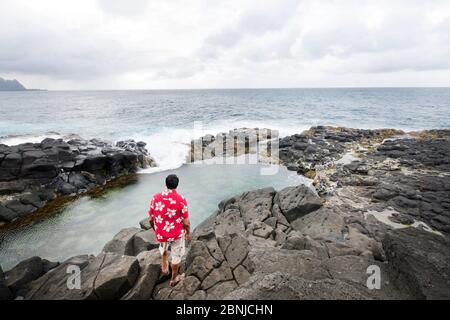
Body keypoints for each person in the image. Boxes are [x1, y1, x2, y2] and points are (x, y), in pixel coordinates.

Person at [148, 174, 190, 287]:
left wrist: (155, 229)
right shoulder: (181, 200)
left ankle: (164, 266)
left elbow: (151, 218)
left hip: (161, 232)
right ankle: (174, 279)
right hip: (176, 233)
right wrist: (187, 232)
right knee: (176, 255)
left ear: (165, 183)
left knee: (164, 248)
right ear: (177, 185)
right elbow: (186, 222)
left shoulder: (155, 197)